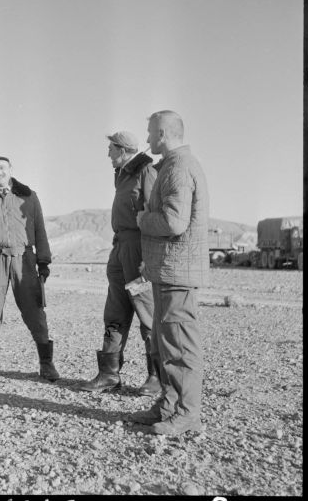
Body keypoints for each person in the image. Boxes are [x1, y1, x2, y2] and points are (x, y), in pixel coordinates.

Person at [130, 110, 209, 436]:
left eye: (150, 133)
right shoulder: (173, 166)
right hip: (168, 271)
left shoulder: (178, 168)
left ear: (163, 133)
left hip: (177, 274)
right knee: (166, 345)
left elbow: (174, 222)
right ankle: (169, 405)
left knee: (179, 346)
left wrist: (141, 220)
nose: (147, 140)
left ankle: (187, 414)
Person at [79, 131, 161, 396]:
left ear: (123, 149)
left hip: (138, 252)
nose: (108, 154)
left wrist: (148, 258)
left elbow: (153, 213)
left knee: (147, 312)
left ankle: (156, 376)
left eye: (111, 149)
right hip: (120, 249)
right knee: (115, 311)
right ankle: (109, 374)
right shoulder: (123, 174)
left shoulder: (145, 171)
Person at [0, 154, 59, 383]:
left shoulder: (29, 197)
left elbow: (40, 230)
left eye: (1, 167)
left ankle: (46, 364)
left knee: (34, 310)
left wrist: (43, 262)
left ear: (10, 169)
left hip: (24, 259)